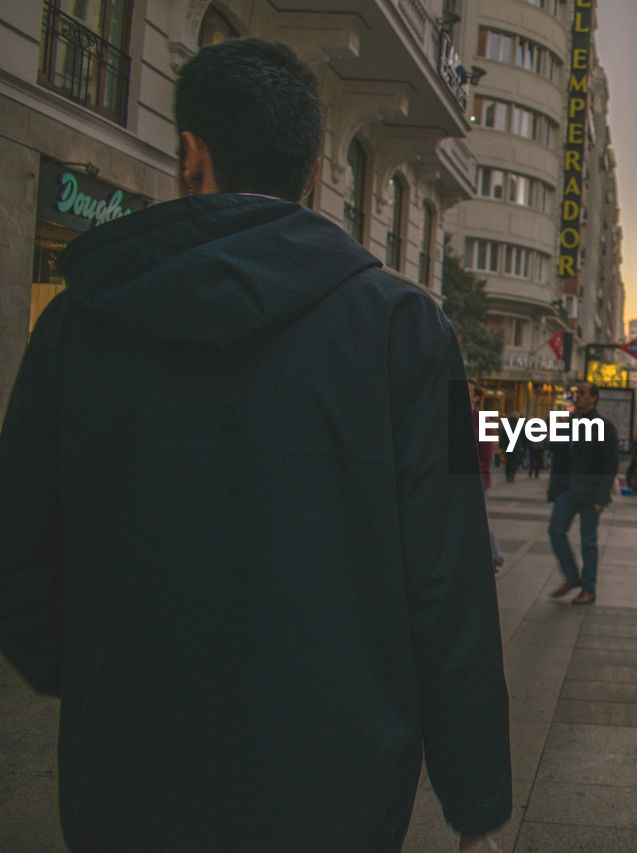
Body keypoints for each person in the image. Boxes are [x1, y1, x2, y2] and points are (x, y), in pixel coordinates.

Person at [0, 38, 510, 851]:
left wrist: (106, 673)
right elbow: (449, 580)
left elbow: (18, 555)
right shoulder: (409, 333)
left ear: (190, 154)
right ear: (313, 172)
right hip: (334, 783)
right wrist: (473, 796)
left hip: (131, 779)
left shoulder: (76, 324)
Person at [547, 382, 620, 605]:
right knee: (555, 531)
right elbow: (558, 454)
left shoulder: (604, 427)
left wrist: (601, 496)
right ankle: (571, 576)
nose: (577, 397)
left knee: (588, 542)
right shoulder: (567, 423)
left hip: (590, 493)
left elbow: (610, 464)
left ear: (594, 398)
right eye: (575, 393)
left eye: (582, 393)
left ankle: (589, 588)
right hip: (567, 490)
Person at [471, 382, 503, 573]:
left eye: (468, 391)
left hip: (477, 480)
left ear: (476, 397)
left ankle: (494, 556)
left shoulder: (482, 422)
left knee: (479, 518)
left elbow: (485, 456)